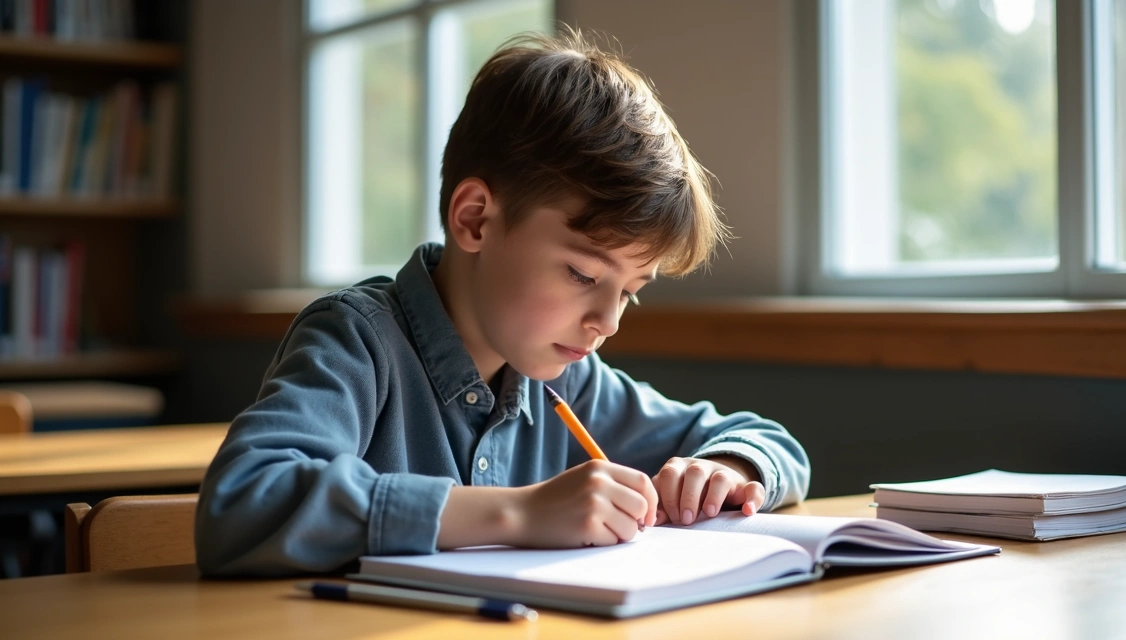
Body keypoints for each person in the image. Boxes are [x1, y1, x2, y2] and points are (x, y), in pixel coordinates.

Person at [195, 29, 810, 576]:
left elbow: (762, 438)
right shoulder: (356, 341)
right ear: (476, 219)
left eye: (629, 292)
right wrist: (517, 513)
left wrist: (728, 467)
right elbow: (245, 500)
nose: (607, 321)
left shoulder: (570, 381)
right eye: (581, 272)